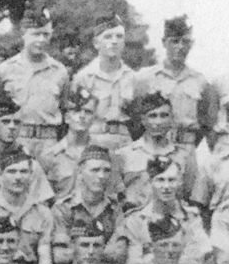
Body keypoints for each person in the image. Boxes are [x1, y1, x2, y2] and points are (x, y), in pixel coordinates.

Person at [115, 156, 213, 264]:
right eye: (160, 180)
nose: (166, 186)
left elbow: (198, 262)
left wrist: (151, 258)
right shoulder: (136, 219)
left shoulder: (191, 218)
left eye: (171, 180)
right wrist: (178, 259)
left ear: (179, 183)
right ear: (151, 182)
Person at [0, 6, 69, 158]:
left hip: (49, 143)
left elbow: (66, 112)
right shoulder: (4, 70)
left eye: (46, 35)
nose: (41, 40)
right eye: (35, 34)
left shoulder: (60, 71)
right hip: (17, 140)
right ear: (23, 35)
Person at [135, 15, 215, 146]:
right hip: (154, 146)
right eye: (175, 41)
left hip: (187, 147)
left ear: (191, 44)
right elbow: (136, 117)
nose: (180, 47)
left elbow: (207, 122)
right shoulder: (145, 78)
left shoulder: (200, 81)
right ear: (164, 42)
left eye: (185, 41)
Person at [113, 92, 198, 211]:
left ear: (171, 119)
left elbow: (189, 195)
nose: (158, 122)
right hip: (134, 222)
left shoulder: (183, 156)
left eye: (164, 115)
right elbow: (115, 197)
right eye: (152, 116)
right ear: (143, 120)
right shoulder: (124, 155)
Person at [50, 144, 125, 264]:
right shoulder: (64, 208)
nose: (101, 176)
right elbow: (60, 256)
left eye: (106, 170)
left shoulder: (115, 209)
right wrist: (102, 251)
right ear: (80, 172)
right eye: (95, 170)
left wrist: (81, 250)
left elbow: (118, 252)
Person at [0, 88, 55, 204]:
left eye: (16, 122)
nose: (12, 127)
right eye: (5, 122)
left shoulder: (30, 163)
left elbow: (42, 203)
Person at [70, 14, 135, 151]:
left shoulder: (133, 78)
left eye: (119, 36)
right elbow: (74, 119)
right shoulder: (84, 78)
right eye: (108, 36)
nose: (114, 41)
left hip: (126, 144)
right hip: (94, 142)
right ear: (96, 43)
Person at [39, 86, 99, 204]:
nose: (82, 116)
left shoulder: (102, 154)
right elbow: (42, 200)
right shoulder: (49, 156)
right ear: (66, 117)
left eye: (88, 112)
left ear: (93, 119)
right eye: (76, 111)